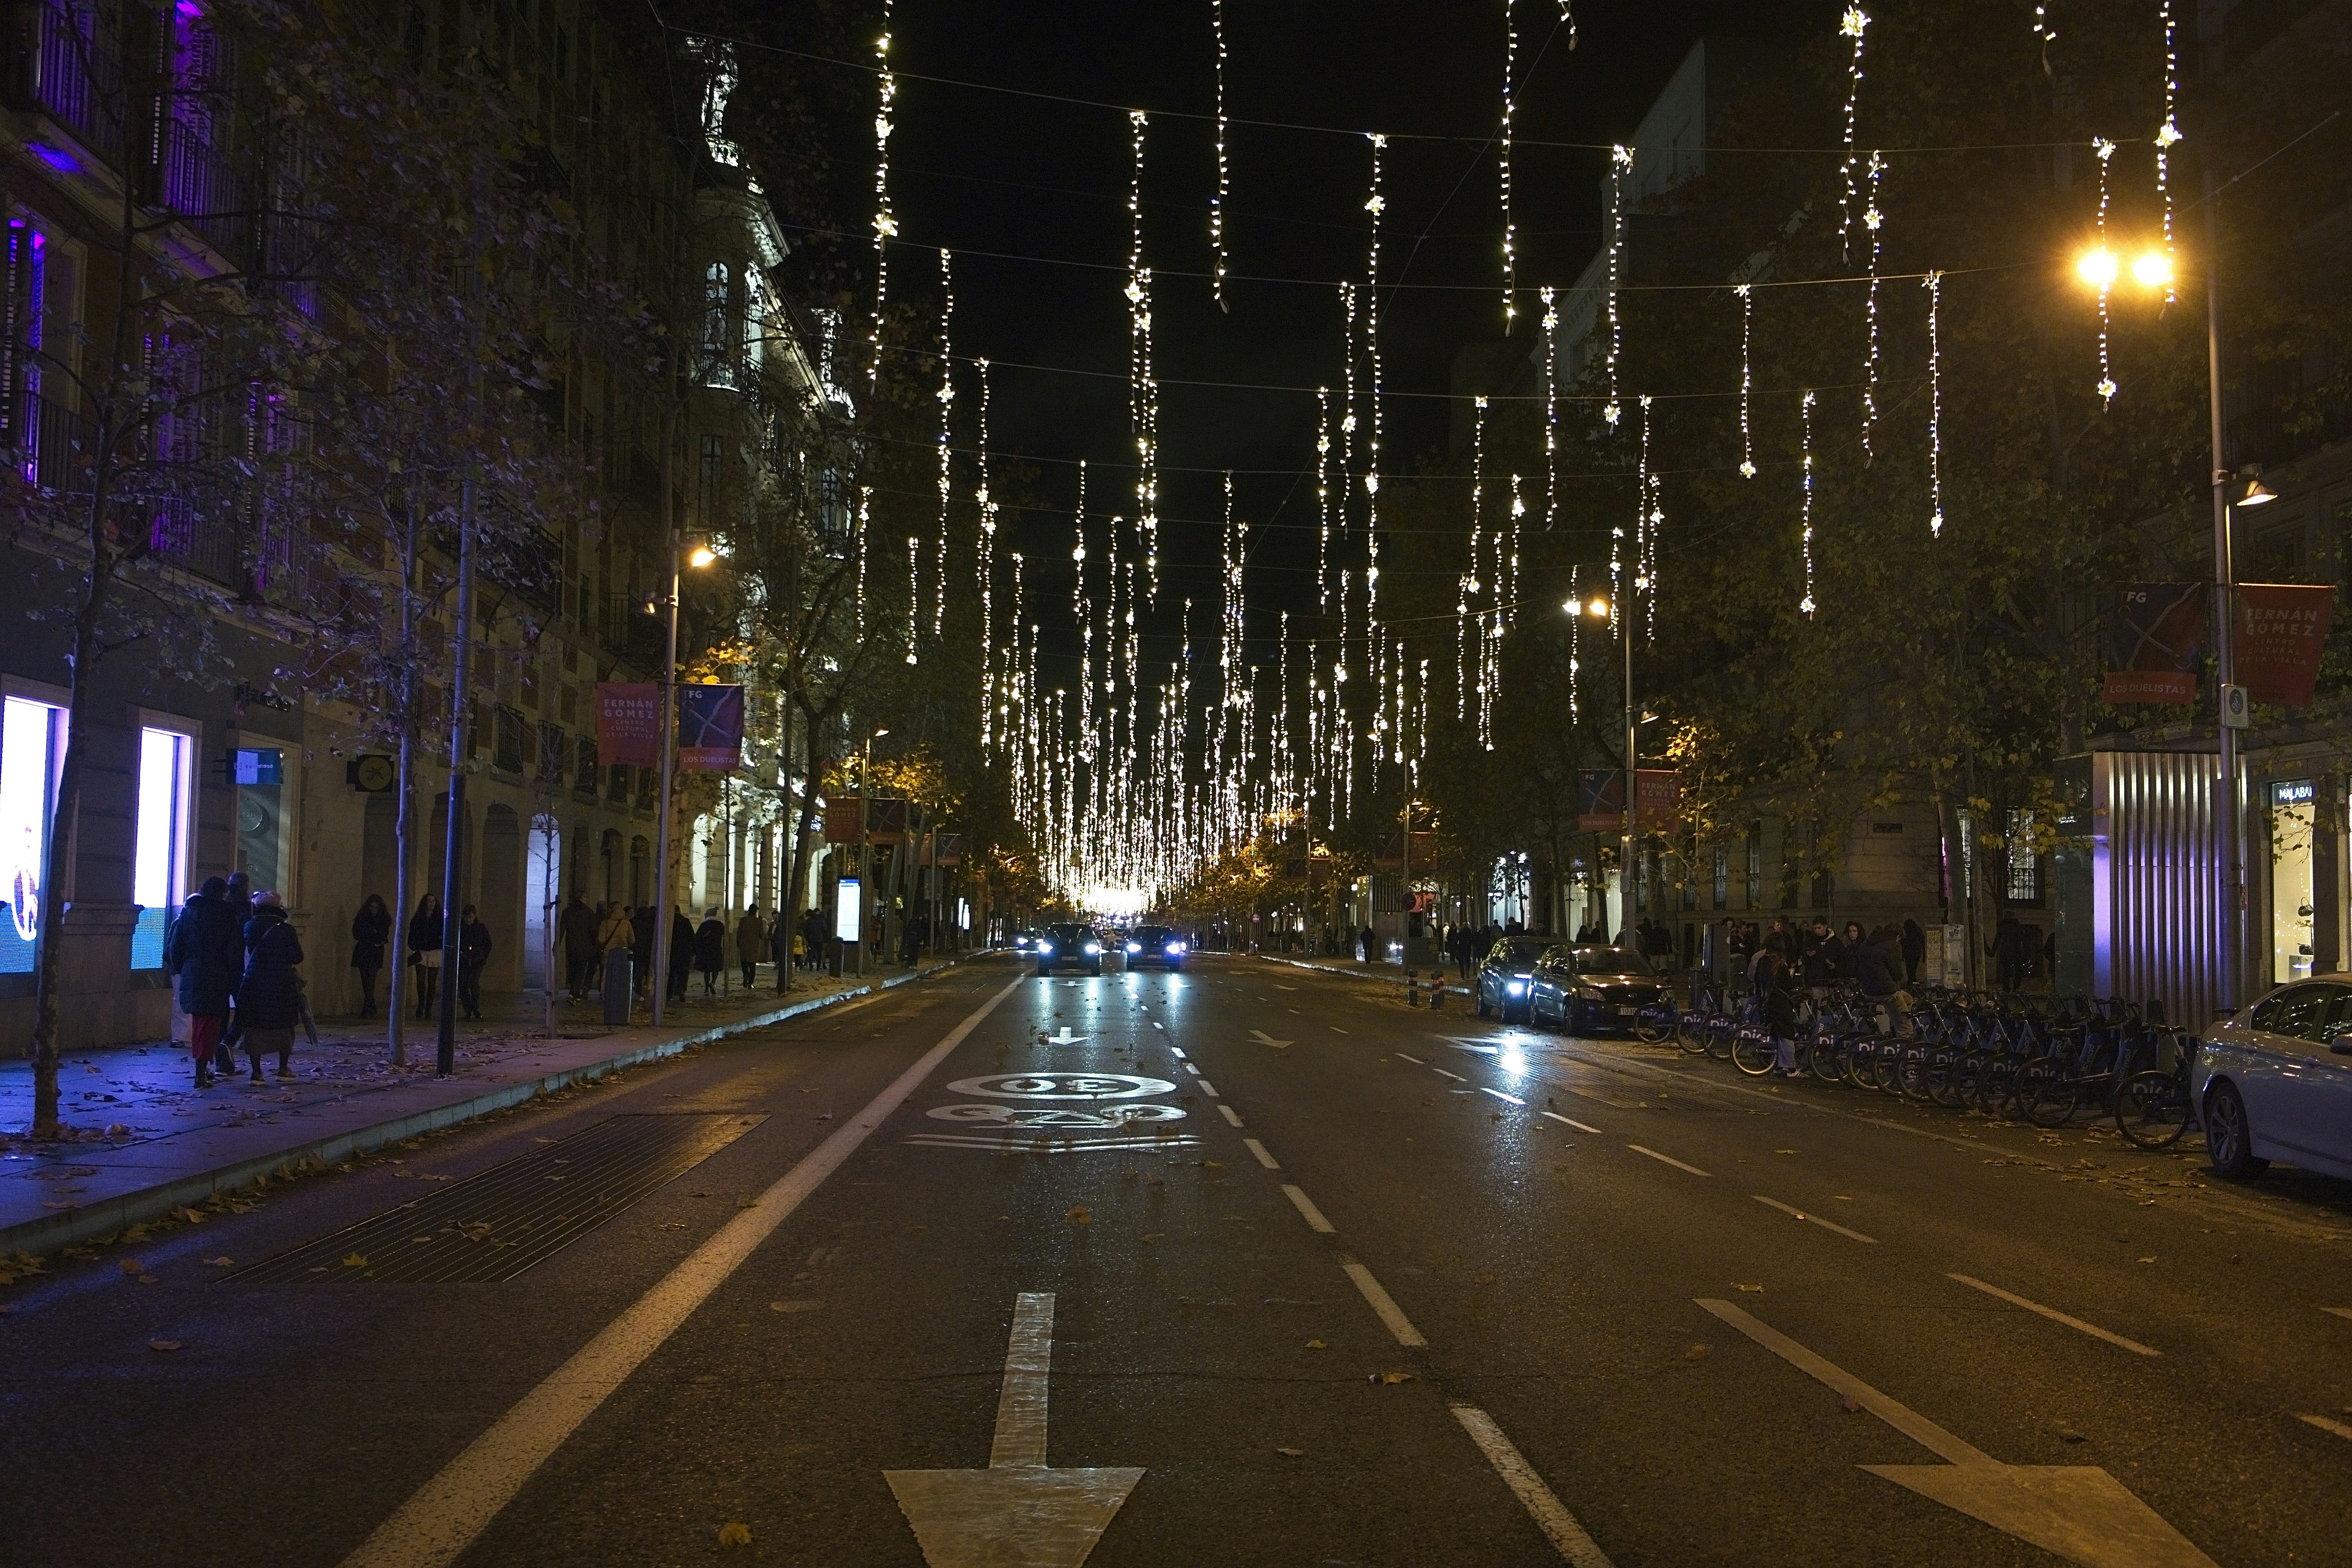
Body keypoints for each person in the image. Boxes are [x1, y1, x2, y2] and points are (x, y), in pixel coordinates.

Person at [166, 877, 242, 1088]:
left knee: (201, 1022)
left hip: (193, 970)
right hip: (217, 974)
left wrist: (184, 968)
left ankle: (202, 1068)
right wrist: (233, 975)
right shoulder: (227, 914)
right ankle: (201, 1070)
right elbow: (234, 950)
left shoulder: (188, 913)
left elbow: (176, 946)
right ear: (222, 893)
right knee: (212, 1023)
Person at [237, 891, 305, 1083]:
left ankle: (257, 1072)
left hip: (255, 981)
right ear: (278, 908)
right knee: (284, 1025)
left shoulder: (249, 926)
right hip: (281, 982)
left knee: (255, 1025)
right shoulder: (287, 930)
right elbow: (297, 957)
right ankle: (283, 1069)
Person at [350, 893, 391, 1018]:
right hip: (364, 950)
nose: (373, 910)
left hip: (375, 951)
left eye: (376, 908)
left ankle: (367, 1007)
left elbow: (383, 935)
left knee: (371, 979)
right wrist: (372, 935)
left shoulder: (383, 919)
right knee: (365, 979)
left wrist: (372, 936)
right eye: (371, 907)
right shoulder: (362, 918)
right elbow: (357, 934)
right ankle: (370, 1003)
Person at [597, 901, 635, 1023]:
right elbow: (633, 939)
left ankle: (604, 993)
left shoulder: (606, 922)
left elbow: (601, 939)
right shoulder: (626, 923)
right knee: (623, 975)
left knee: (607, 973)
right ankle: (621, 996)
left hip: (609, 952)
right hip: (623, 952)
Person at [408, 893, 444, 1019]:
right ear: (425, 903)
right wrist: (415, 945)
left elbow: (443, 934)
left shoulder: (440, 918)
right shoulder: (418, 918)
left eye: (433, 901)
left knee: (432, 982)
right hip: (422, 951)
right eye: (429, 901)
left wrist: (438, 942)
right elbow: (412, 934)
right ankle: (421, 1005)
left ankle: (428, 1008)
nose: (432, 903)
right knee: (421, 980)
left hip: (435, 951)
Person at [561, 893, 600, 1000]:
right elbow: (592, 931)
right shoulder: (589, 912)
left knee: (572, 967)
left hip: (571, 944)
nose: (588, 899)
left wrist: (558, 943)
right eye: (586, 897)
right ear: (582, 898)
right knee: (580, 969)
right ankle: (575, 992)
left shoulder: (567, 912)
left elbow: (562, 929)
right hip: (584, 944)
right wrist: (594, 944)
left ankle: (572, 991)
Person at [457, 904, 492, 1021]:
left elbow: (488, 944)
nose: (468, 920)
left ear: (475, 916)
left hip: (477, 960)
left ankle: (475, 1008)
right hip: (463, 960)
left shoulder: (480, 928)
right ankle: (468, 1010)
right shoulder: (460, 928)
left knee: (474, 982)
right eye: (466, 917)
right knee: (463, 984)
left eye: (470, 917)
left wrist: (482, 956)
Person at [736, 906, 767, 990]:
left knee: (744, 964)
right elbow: (762, 935)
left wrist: (738, 943)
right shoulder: (759, 922)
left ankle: (745, 976)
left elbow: (739, 933)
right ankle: (751, 983)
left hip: (744, 946)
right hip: (754, 946)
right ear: (756, 912)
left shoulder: (743, 920)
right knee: (753, 966)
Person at [671, 906, 697, 1001]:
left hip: (672, 951)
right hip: (685, 952)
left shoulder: (669, 921)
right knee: (683, 972)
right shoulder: (686, 922)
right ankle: (681, 989)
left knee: (671, 972)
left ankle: (669, 993)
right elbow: (692, 937)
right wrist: (694, 951)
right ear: (680, 911)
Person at [631, 904, 656, 999]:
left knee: (639, 969)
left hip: (637, 949)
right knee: (648, 969)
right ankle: (647, 987)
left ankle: (638, 988)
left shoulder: (634, 922)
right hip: (649, 949)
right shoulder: (652, 923)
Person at [1900, 918, 1926, 986]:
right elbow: (1923, 942)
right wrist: (1924, 955)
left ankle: (1913, 984)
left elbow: (1906, 944)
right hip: (1917, 953)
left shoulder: (1910, 934)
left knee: (1910, 971)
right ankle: (1913, 984)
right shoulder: (1918, 931)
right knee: (1913, 970)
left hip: (1909, 954)